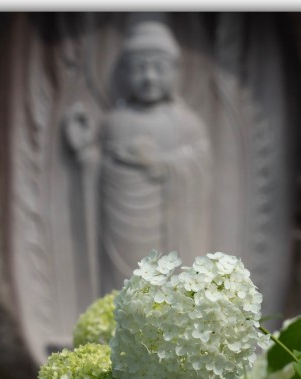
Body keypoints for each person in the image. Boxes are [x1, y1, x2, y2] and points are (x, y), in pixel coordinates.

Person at [64, 21, 212, 293]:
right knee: (123, 292)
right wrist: (84, 151)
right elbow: (99, 170)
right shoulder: (113, 122)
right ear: (125, 74)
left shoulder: (187, 124)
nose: (149, 77)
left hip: (169, 230)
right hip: (118, 237)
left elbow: (198, 172)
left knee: (168, 289)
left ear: (175, 73)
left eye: (159, 68)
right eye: (139, 68)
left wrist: (160, 165)